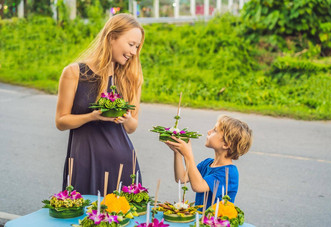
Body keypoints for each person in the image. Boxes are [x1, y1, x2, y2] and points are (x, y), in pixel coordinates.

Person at [55, 13, 144, 195]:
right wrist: (92, 116)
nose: (134, 52)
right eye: (131, 44)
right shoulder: (74, 73)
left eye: (137, 46)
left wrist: (126, 118)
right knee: (82, 219)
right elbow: (61, 121)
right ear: (112, 37)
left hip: (123, 163)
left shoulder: (131, 78)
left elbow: (132, 127)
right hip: (84, 162)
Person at [165, 115, 253, 206]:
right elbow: (181, 178)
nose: (209, 132)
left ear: (226, 144)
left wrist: (188, 155)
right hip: (201, 218)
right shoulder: (207, 163)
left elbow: (198, 186)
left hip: (216, 219)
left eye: (215, 130)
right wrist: (178, 152)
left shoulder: (229, 172)